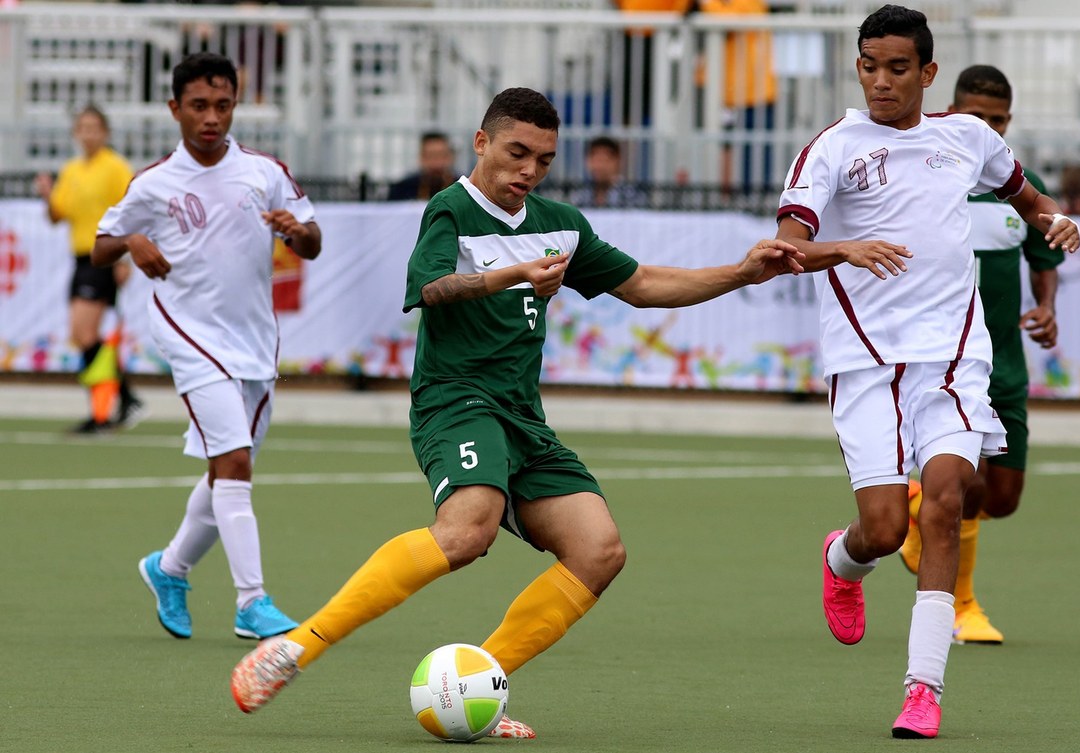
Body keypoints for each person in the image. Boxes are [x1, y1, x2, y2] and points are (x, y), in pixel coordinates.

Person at [230, 86, 803, 737]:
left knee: (599, 549)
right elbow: (432, 288)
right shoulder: (450, 208)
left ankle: (479, 680)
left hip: (522, 416)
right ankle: (296, 647)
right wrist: (516, 273)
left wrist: (740, 271)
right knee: (467, 531)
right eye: (516, 152)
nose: (528, 170)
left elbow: (642, 285)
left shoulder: (558, 222)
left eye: (543, 160)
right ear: (482, 143)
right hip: (455, 399)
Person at [774, 5, 1080, 739]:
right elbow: (783, 246)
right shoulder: (834, 147)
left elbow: (1025, 194)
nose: (881, 81)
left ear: (928, 73)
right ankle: (844, 560)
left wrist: (1052, 220)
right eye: (869, 66)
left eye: (898, 68)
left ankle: (922, 689)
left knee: (946, 500)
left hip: (953, 356)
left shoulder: (966, 138)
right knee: (884, 529)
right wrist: (841, 248)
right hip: (864, 359)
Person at [92, 52, 322, 641]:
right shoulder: (154, 182)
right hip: (189, 335)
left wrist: (298, 233)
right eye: (198, 106)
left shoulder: (264, 171)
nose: (211, 117)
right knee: (235, 462)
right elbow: (100, 245)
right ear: (175, 109)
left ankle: (169, 568)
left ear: (235, 105)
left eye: (223, 104)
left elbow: (313, 241)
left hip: (253, 340)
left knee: (229, 469)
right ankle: (252, 601)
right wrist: (135, 241)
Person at [897, 65, 1066, 646]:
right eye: (975, 117)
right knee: (963, 489)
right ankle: (963, 606)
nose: (986, 128)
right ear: (952, 110)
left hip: (1007, 365)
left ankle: (921, 509)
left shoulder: (1022, 186)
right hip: (949, 359)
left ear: (1008, 122)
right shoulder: (930, 177)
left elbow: (1045, 266)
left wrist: (1046, 308)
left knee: (1004, 498)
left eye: (996, 120)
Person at [35, 105, 144, 433]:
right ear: (75, 133)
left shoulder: (114, 167)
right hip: (81, 258)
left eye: (95, 127)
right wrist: (48, 197)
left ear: (105, 132)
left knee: (84, 333)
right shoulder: (72, 170)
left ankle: (108, 409)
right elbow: (58, 216)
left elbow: (131, 209)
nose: (89, 133)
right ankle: (119, 401)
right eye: (83, 127)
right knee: (83, 336)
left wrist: (124, 258)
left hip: (105, 256)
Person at [697, 0, 777, 192]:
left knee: (754, 159)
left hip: (753, 92)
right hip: (724, 91)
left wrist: (706, 5)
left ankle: (752, 203)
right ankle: (725, 199)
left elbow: (730, 20)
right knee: (721, 148)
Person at [571, 136, 647, 209]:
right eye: (595, 160)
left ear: (617, 161)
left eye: (604, 160)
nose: (599, 166)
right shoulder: (579, 195)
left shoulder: (632, 195)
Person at [387, 132, 457, 201]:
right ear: (421, 158)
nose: (436, 162)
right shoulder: (404, 188)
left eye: (441, 155)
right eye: (430, 156)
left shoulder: (460, 186)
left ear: (450, 157)